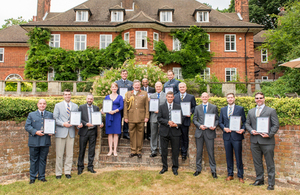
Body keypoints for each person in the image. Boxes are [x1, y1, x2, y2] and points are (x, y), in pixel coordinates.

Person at [245, 92, 279, 191]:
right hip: (255, 141)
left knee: (270, 163)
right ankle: (259, 180)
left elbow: (276, 125)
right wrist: (251, 130)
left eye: (261, 98)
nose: (259, 99)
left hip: (267, 141)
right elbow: (247, 124)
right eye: (257, 98)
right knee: (257, 162)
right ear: (255, 99)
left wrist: (269, 134)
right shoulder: (251, 111)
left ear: (264, 99)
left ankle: (271, 183)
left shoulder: (271, 110)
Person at [53, 89, 82, 179]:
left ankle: (67, 172)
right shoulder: (58, 106)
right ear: (63, 95)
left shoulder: (75, 106)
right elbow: (55, 118)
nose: (67, 96)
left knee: (70, 154)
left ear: (71, 95)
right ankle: (58, 173)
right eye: (65, 94)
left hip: (71, 133)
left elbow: (76, 119)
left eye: (69, 94)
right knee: (59, 154)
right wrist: (63, 124)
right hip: (61, 132)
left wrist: (79, 125)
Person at [219, 93, 246, 183]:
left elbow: (245, 121)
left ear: (234, 98)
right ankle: (230, 174)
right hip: (227, 136)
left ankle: (240, 175)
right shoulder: (223, 110)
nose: (230, 99)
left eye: (231, 97)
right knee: (228, 156)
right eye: (228, 98)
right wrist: (224, 128)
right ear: (226, 99)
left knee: (238, 156)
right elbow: (220, 122)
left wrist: (242, 129)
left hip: (237, 136)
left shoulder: (240, 108)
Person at [25, 99, 53, 184]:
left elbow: (52, 126)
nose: (42, 105)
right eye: (40, 104)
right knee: (33, 159)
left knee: (43, 159)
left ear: (46, 105)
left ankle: (42, 176)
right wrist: (35, 132)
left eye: (44, 104)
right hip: (34, 141)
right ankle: (33, 177)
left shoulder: (50, 114)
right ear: (37, 105)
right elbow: (27, 126)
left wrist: (52, 132)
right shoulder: (31, 115)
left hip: (45, 141)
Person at [193, 92, 219, 178]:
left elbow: (217, 119)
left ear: (208, 97)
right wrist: (199, 125)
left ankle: (213, 170)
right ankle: (198, 169)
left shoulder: (213, 107)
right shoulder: (197, 107)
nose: (204, 98)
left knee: (211, 152)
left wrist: (214, 126)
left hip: (209, 132)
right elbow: (194, 119)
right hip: (200, 132)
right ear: (201, 98)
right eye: (203, 97)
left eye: (206, 97)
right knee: (199, 152)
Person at [77, 94, 103, 175]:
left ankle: (90, 166)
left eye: (91, 99)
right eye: (88, 98)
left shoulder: (96, 108)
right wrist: (86, 123)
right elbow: (79, 118)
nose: (89, 100)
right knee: (82, 150)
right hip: (84, 131)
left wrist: (101, 123)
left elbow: (98, 118)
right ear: (86, 99)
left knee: (92, 150)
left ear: (93, 100)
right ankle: (80, 167)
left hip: (93, 132)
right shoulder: (81, 107)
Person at [157, 91, 181, 176]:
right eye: (168, 97)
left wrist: (176, 124)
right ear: (166, 97)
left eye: (171, 97)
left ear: (173, 97)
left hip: (175, 132)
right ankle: (164, 167)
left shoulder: (178, 107)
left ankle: (175, 168)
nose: (170, 98)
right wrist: (168, 122)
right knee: (164, 150)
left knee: (175, 151)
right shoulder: (162, 107)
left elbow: (181, 118)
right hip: (164, 132)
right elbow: (159, 118)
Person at [124, 80, 149, 158]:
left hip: (141, 117)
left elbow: (146, 106)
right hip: (131, 117)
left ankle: (139, 151)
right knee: (132, 134)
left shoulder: (144, 93)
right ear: (133, 86)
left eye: (138, 85)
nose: (137, 86)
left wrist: (146, 116)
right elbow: (125, 106)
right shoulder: (128, 93)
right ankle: (133, 150)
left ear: (140, 85)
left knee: (140, 134)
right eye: (135, 85)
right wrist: (125, 117)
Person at [173, 82, 196, 160]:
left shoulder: (191, 97)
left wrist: (190, 112)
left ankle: (184, 153)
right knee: (176, 137)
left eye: (183, 87)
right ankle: (176, 152)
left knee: (184, 138)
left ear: (186, 88)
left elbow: (194, 107)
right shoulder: (175, 97)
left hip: (186, 120)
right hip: (177, 121)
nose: (182, 88)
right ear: (178, 88)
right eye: (180, 87)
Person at [103, 83, 124, 156]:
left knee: (116, 133)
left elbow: (121, 107)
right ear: (111, 88)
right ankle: (110, 150)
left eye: (115, 87)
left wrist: (115, 111)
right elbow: (105, 105)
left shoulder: (120, 97)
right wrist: (103, 110)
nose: (114, 88)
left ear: (117, 88)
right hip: (109, 116)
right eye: (113, 87)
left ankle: (115, 150)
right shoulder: (107, 97)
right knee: (109, 133)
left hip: (116, 116)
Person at [149, 81, 166, 157]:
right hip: (153, 117)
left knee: (162, 134)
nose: (158, 88)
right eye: (157, 86)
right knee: (153, 134)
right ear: (155, 87)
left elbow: (166, 106)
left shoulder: (165, 95)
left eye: (159, 86)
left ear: (162, 87)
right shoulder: (152, 96)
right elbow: (149, 106)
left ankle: (162, 150)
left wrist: (160, 111)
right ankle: (153, 150)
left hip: (162, 118)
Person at [115, 70, 133, 139]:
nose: (124, 75)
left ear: (127, 75)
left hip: (127, 104)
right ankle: (118, 133)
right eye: (123, 74)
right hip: (119, 104)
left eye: (126, 74)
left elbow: (132, 93)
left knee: (126, 118)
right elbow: (115, 92)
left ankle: (125, 133)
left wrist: (128, 98)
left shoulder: (131, 83)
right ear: (121, 75)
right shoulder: (117, 83)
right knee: (119, 118)